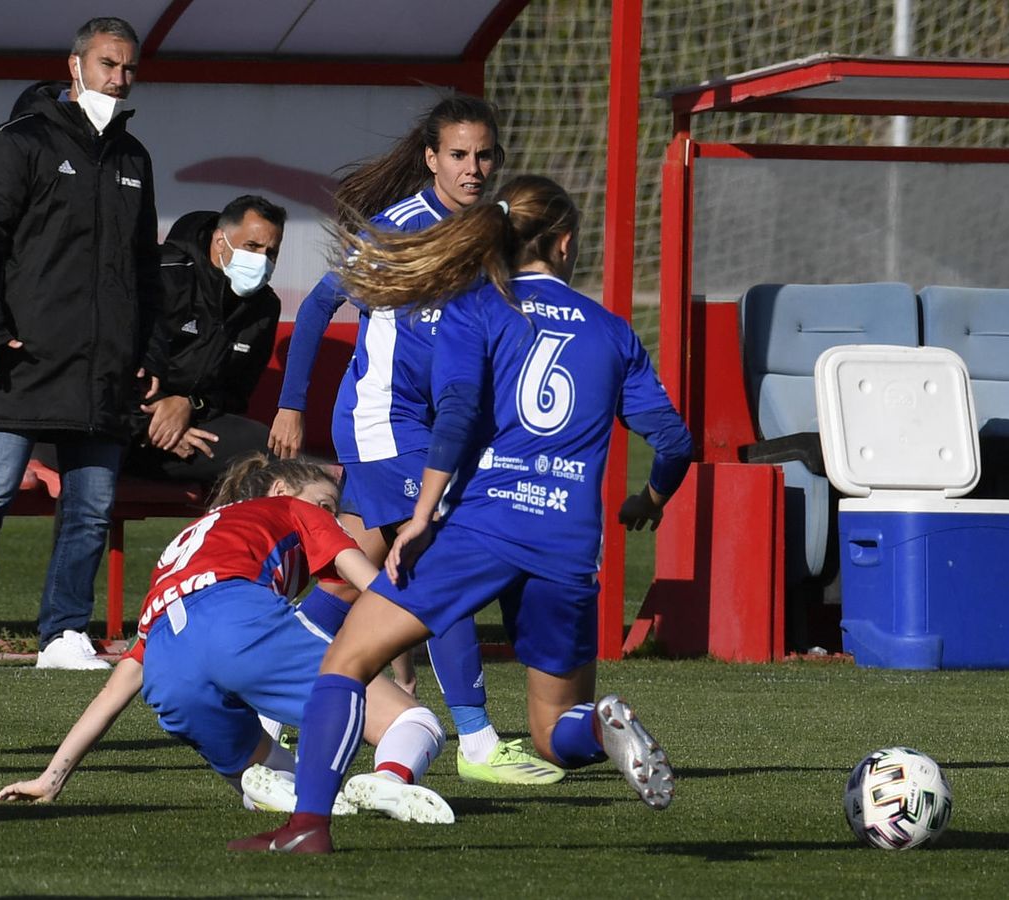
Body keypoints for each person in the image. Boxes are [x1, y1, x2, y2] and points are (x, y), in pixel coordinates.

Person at [232, 176, 694, 855]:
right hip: (567, 543)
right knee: (552, 733)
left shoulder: (475, 309)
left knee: (345, 660)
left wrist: (422, 516)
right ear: (566, 244)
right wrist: (648, 499)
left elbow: (453, 416)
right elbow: (675, 442)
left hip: (482, 527)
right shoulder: (611, 331)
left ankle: (308, 828)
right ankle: (599, 727)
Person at [266, 95, 559, 786]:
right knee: (441, 558)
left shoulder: (493, 229)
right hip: (384, 420)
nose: (472, 167)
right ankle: (477, 740)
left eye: (483, 155)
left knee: (355, 575)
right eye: (458, 154)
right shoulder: (400, 229)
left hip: (431, 426)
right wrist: (291, 403)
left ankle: (263, 693)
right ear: (431, 158)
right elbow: (319, 305)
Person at [0, 455, 454, 824]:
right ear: (281, 490)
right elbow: (376, 592)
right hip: (237, 620)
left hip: (167, 669)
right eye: (325, 505)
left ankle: (268, 788)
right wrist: (407, 667)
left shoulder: (187, 546)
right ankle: (391, 779)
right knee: (413, 723)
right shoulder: (294, 510)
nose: (331, 518)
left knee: (287, 782)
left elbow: (114, 690)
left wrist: (51, 778)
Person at [0, 15, 162, 671]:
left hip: (104, 366)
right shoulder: (16, 142)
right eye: (107, 64)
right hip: (21, 357)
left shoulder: (134, 157)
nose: (118, 78)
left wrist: (148, 352)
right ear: (75, 66)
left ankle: (63, 634)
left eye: (128, 68)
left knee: (90, 508)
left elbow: (144, 269)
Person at [125, 195, 286, 484]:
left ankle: (223, 517)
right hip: (124, 418)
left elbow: (235, 394)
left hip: (193, 424)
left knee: (265, 450)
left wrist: (189, 404)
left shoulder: (265, 307)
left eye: (271, 252)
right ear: (220, 241)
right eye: (252, 246)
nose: (262, 260)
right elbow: (110, 364)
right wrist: (153, 423)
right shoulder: (160, 274)